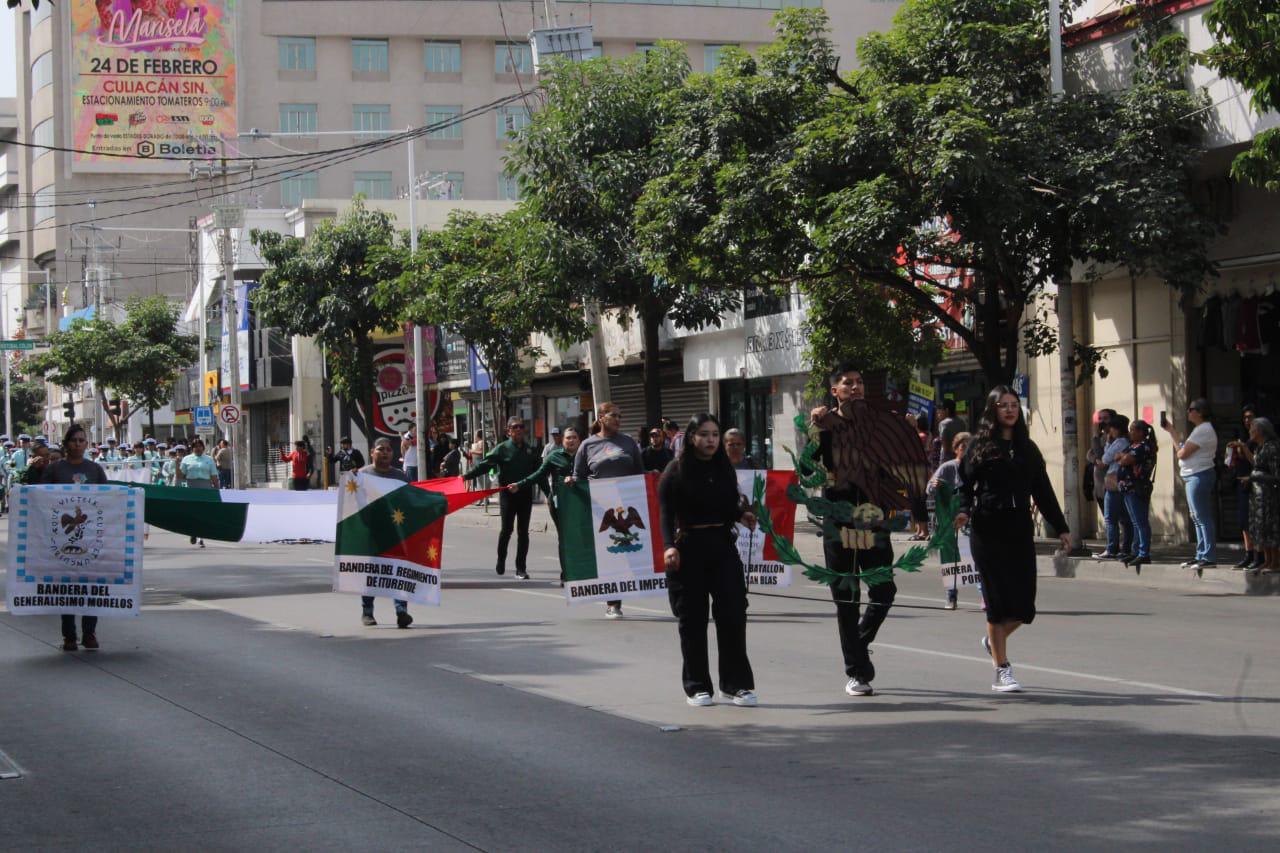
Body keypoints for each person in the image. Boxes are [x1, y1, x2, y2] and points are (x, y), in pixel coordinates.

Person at [809, 365, 928, 697]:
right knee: (847, 596)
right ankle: (856, 671)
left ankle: (858, 644)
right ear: (835, 391)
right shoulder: (822, 426)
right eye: (848, 382)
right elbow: (816, 465)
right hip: (840, 524)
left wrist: (918, 509)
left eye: (860, 382)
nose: (856, 387)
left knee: (884, 591)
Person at [956, 387, 1071, 693]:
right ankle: (1002, 669)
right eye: (1003, 406)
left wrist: (1061, 527)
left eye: (1013, 405)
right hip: (987, 527)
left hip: (1019, 527)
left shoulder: (1027, 449)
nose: (1009, 410)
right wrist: (963, 511)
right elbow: (964, 485)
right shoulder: (980, 446)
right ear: (992, 410)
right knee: (996, 603)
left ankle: (994, 641)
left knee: (1024, 607)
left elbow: (1043, 491)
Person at [659, 413, 758, 708]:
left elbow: (728, 505)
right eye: (704, 434)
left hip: (723, 547)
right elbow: (665, 513)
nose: (711, 440)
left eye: (715, 434)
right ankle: (697, 686)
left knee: (733, 615)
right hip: (688, 548)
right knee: (693, 620)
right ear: (692, 437)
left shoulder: (724, 467)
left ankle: (736, 685)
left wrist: (742, 515)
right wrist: (668, 546)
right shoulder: (675, 471)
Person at [39, 423, 109, 652]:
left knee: (90, 586)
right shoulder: (55, 469)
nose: (78, 444)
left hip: (90, 538)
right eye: (73, 440)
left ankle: (90, 632)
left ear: (86, 444)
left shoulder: (95, 470)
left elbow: (108, 500)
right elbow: (41, 498)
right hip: (61, 538)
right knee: (66, 587)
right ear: (66, 443)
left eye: (82, 440)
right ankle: (69, 636)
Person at [573, 402, 645, 618]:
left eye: (620, 416)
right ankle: (612, 602)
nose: (618, 420)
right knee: (609, 555)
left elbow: (640, 472)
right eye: (614, 415)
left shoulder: (628, 443)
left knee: (625, 552)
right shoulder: (587, 446)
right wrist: (572, 482)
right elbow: (579, 477)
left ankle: (619, 596)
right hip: (600, 510)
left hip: (626, 506)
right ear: (601, 417)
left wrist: (655, 477)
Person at [464, 416, 541, 579]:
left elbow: (539, 473)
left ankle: (521, 568)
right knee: (507, 530)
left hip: (525, 495)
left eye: (521, 426)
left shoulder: (530, 450)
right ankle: (501, 559)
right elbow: (484, 466)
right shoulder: (502, 449)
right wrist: (466, 476)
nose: (519, 430)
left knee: (523, 532)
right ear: (508, 431)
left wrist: (550, 494)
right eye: (515, 427)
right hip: (507, 495)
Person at [511, 426, 581, 584]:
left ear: (579, 440)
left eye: (574, 437)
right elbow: (538, 474)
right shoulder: (554, 456)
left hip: (581, 503)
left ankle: (581, 570)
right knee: (565, 538)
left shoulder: (585, 455)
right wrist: (520, 484)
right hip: (559, 504)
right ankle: (566, 574)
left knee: (580, 537)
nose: (571, 440)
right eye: (568, 438)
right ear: (562, 441)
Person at [358, 437, 414, 628]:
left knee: (398, 572)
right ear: (372, 452)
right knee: (371, 573)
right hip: (370, 533)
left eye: (389, 450)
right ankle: (367, 612)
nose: (385, 453)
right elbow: (351, 504)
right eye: (381, 449)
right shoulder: (361, 476)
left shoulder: (401, 477)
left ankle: (401, 612)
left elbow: (412, 501)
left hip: (395, 533)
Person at [1162, 399, 1218, 570]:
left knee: (1202, 517)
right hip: (1193, 475)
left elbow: (1182, 453)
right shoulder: (1199, 430)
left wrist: (1174, 435)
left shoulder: (1203, 430)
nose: (1188, 412)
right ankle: (1201, 554)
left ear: (1200, 412)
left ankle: (1208, 556)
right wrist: (1172, 431)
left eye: (1191, 409)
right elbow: (1182, 449)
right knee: (1196, 517)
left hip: (1199, 475)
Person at [928, 430, 971, 610]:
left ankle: (985, 596)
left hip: (969, 517)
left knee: (972, 558)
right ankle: (951, 595)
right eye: (963, 447)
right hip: (948, 518)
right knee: (950, 558)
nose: (966, 450)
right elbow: (930, 488)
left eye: (970, 447)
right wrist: (935, 485)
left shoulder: (976, 467)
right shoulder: (947, 467)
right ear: (956, 449)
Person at [1116, 419, 1158, 572]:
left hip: (1137, 488)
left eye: (1133, 430)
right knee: (1134, 522)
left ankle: (1144, 553)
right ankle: (1135, 551)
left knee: (1141, 522)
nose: (1130, 432)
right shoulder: (1132, 445)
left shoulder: (1144, 447)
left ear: (1141, 432)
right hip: (1127, 488)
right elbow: (1117, 457)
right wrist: (1121, 457)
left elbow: (1125, 459)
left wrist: (1122, 458)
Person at [1097, 414, 1134, 561]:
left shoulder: (1120, 442)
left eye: (1110, 428)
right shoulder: (1123, 441)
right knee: (1125, 518)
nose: (1108, 430)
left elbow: (1105, 459)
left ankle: (1112, 548)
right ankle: (1125, 548)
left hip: (1114, 483)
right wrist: (1108, 441)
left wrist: (1107, 443)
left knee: (1110, 518)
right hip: (1120, 482)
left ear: (1115, 428)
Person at [1228, 405, 1261, 569]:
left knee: (1254, 521)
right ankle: (1248, 553)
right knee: (1243, 521)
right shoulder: (1244, 437)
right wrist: (1232, 454)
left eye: (1251, 417)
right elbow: (1237, 460)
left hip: (1255, 483)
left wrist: (1244, 448)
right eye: (1245, 418)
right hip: (1241, 481)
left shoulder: (1259, 440)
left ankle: (1258, 555)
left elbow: (1255, 462)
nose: (1248, 421)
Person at [1245, 417, 1280, 573]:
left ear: (1260, 431)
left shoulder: (1272, 447)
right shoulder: (1259, 448)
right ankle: (1267, 560)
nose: (1250, 431)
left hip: (1269, 496)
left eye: (1253, 429)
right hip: (1258, 497)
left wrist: (1255, 477)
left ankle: (1275, 561)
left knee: (1270, 527)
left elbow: (1276, 475)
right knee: (1260, 528)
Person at [179, 437, 218, 548]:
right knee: (193, 512)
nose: (197, 448)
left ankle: (201, 537)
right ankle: (193, 532)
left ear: (203, 447)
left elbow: (214, 476)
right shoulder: (186, 459)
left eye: (199, 446)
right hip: (191, 487)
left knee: (203, 512)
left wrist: (217, 490)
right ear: (192, 448)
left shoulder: (209, 459)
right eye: (195, 446)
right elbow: (181, 476)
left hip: (205, 487)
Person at [1085, 409, 1117, 522]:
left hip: (1109, 483)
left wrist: (1095, 436)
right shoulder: (1101, 436)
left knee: (1112, 519)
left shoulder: (1113, 438)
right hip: (1099, 484)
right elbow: (1089, 454)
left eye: (1105, 418)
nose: (1102, 422)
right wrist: (1095, 460)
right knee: (1107, 518)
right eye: (1100, 419)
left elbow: (1100, 454)